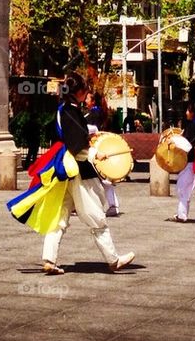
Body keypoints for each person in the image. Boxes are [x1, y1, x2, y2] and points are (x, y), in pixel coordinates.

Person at [8, 72, 133, 275]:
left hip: (65, 170)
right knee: (95, 216)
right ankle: (113, 259)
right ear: (80, 92)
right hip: (78, 170)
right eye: (86, 91)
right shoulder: (71, 111)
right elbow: (77, 146)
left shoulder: (63, 109)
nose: (87, 94)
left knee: (60, 215)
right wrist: (95, 153)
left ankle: (49, 258)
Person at [84, 92, 119, 217]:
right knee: (104, 178)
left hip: (94, 148)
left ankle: (108, 205)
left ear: (93, 101)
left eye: (87, 98)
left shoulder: (94, 113)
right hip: (99, 146)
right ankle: (112, 205)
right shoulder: (99, 112)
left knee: (95, 178)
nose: (85, 100)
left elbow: (92, 128)